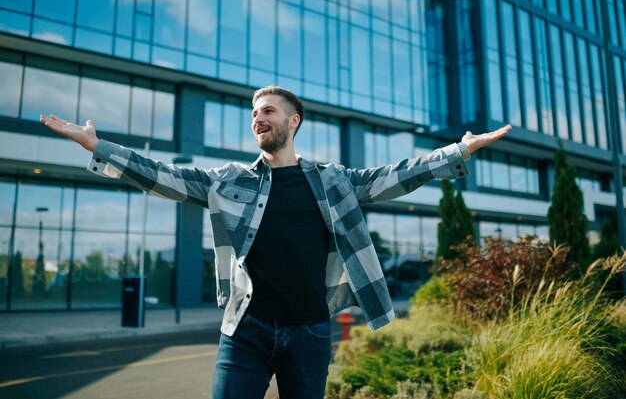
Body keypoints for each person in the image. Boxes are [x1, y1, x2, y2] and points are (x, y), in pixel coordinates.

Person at [40, 85, 511, 399]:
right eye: (253, 114)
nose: (257, 119)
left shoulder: (334, 180)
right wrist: (98, 147)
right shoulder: (228, 181)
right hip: (246, 329)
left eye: (266, 111)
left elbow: (396, 176)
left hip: (309, 332)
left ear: (294, 121)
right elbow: (164, 176)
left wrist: (458, 151)